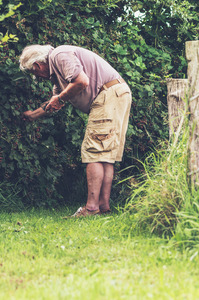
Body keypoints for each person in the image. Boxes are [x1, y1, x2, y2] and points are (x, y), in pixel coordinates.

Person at [19, 45, 132, 217]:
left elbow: (82, 81)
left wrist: (61, 98)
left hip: (108, 95)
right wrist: (32, 115)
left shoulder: (59, 55)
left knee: (94, 151)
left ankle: (91, 208)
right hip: (117, 94)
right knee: (105, 153)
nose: (37, 77)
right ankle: (103, 206)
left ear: (37, 65)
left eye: (34, 73)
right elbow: (54, 103)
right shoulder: (58, 74)